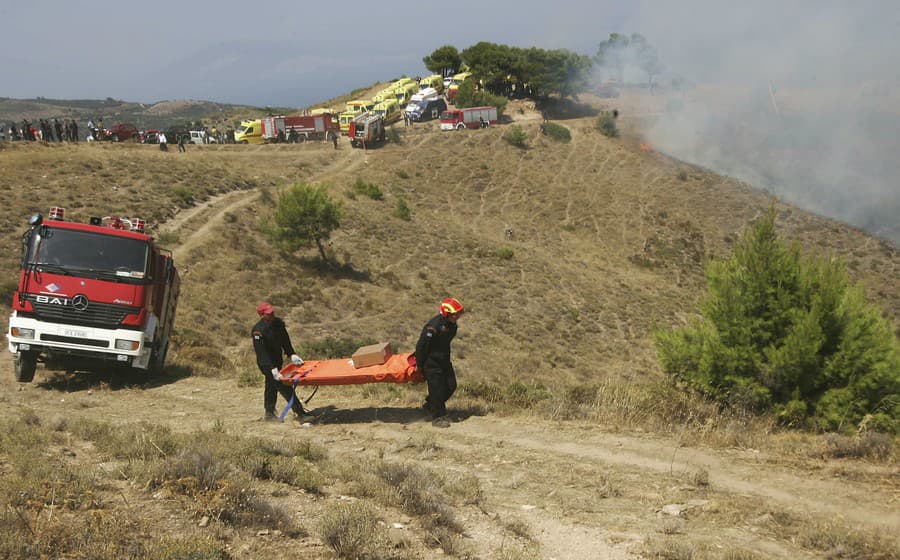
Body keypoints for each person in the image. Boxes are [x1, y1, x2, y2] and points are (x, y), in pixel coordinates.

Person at [252, 302, 309, 422]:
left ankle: (269, 413)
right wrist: (272, 369)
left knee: (271, 386)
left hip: (277, 360)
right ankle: (300, 413)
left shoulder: (278, 324)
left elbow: (285, 340)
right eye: (269, 314)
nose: (272, 314)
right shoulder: (258, 331)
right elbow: (262, 352)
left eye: (272, 312)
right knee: (284, 386)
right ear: (262, 315)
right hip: (266, 364)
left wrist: (291, 354)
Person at [415, 297, 464, 428]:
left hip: (444, 361)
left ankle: (430, 404)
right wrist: (419, 365)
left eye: (459, 313)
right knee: (436, 390)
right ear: (447, 313)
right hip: (431, 363)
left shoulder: (452, 326)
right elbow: (422, 346)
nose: (458, 316)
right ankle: (437, 417)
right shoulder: (433, 327)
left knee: (451, 385)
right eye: (455, 314)